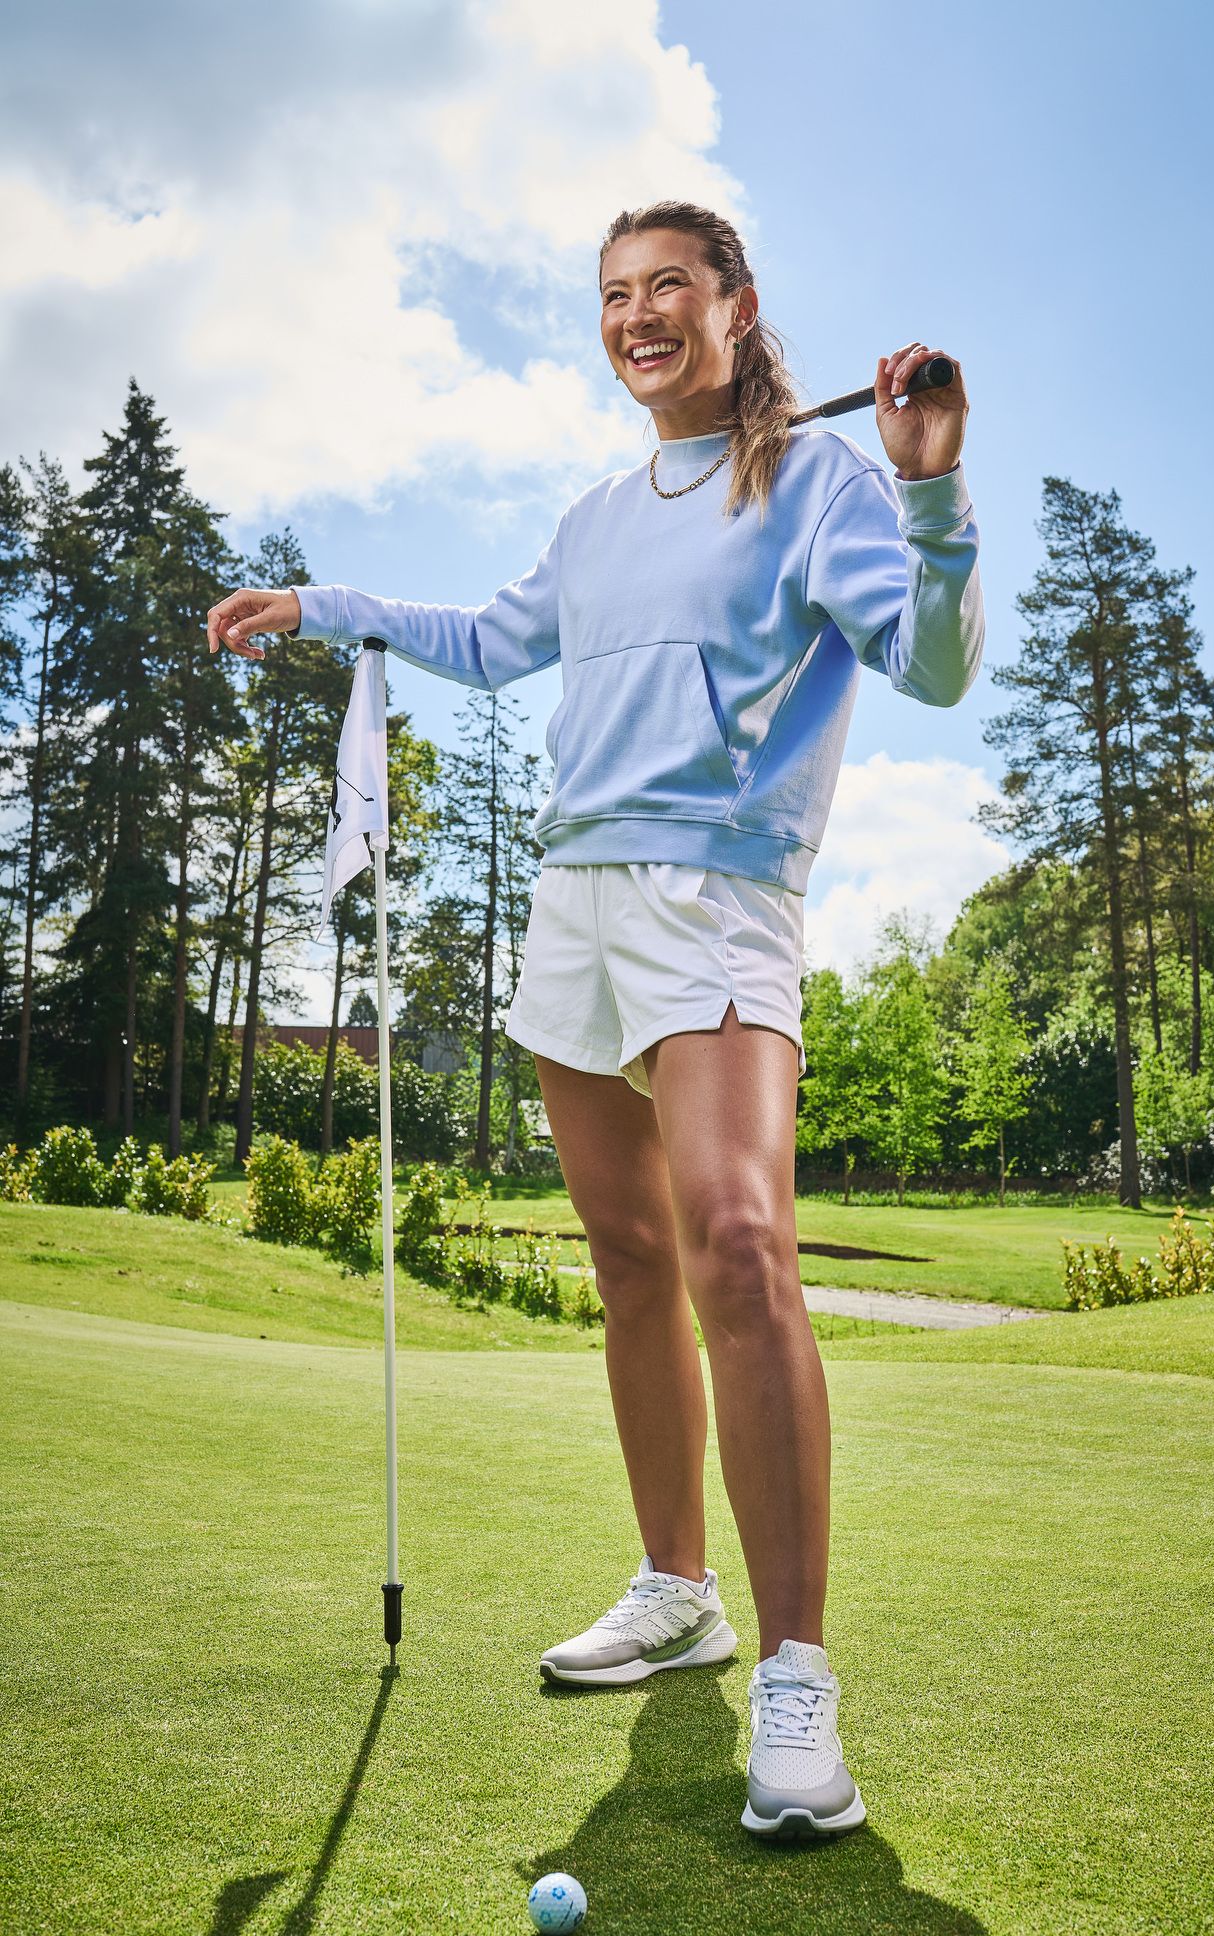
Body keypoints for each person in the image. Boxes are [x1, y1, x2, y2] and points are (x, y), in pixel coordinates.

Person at [206, 198, 984, 1842]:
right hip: (577, 907)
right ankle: (674, 1587)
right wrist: (327, 602)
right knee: (629, 1260)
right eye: (616, 296)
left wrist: (931, 484)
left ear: (735, 302)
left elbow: (931, 667)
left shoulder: (820, 479)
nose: (639, 318)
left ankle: (794, 1680)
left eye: (670, 290)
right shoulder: (595, 514)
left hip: (719, 898)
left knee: (739, 1244)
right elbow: (489, 644)